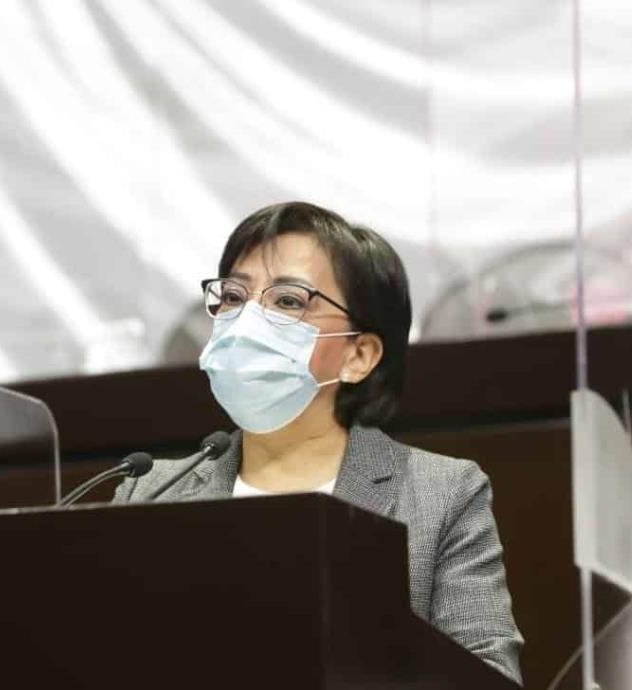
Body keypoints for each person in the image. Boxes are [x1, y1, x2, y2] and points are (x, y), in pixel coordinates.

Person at [113, 201, 523, 684]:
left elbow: (489, 677)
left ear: (359, 355)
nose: (247, 321)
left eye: (288, 302)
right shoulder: (149, 492)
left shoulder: (442, 494)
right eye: (234, 297)